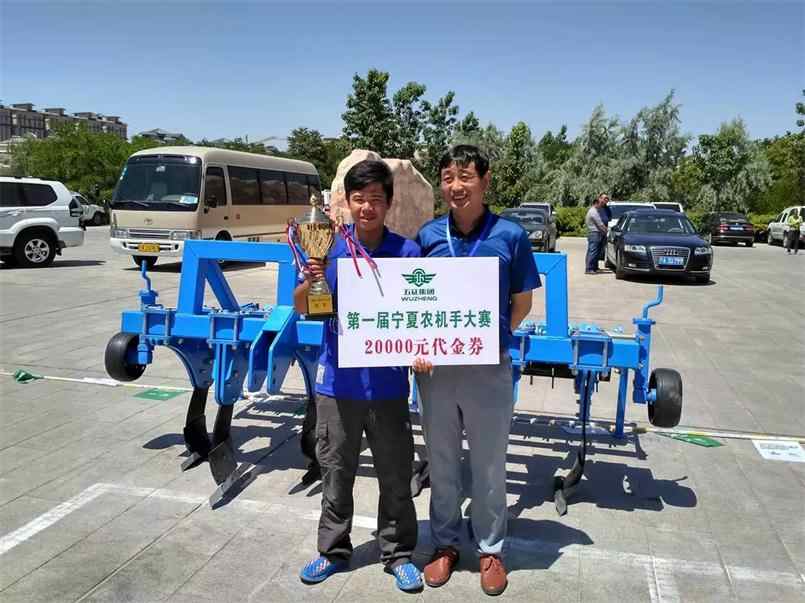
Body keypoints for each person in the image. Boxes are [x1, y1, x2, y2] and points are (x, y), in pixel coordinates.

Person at [412, 145, 540, 596]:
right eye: (448, 177)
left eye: (465, 176)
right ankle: (445, 544)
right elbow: (413, 302)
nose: (456, 186)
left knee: (489, 463)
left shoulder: (510, 236)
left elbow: (522, 302)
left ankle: (490, 548)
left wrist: (491, 338)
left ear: (485, 181)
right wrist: (418, 345)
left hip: (488, 368)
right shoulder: (427, 236)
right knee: (442, 460)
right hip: (436, 371)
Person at [295, 160, 423, 592]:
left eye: (375, 199)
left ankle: (398, 553)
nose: (367, 207)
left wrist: (424, 349)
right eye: (359, 199)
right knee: (335, 472)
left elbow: (420, 314)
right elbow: (302, 305)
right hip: (338, 385)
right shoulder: (327, 247)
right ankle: (333, 550)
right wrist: (312, 276)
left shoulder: (407, 254)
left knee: (396, 474)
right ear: (347, 202)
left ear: (388, 203)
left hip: (388, 386)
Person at [585, 197, 608, 274]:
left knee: (593, 251)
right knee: (593, 251)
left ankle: (593, 267)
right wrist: (606, 230)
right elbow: (600, 224)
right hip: (595, 233)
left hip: (594, 233)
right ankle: (589, 268)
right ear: (596, 203)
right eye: (600, 203)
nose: (601, 205)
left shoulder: (593, 211)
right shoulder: (593, 212)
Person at [595, 193, 612, 263]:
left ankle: (595, 265)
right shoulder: (596, 207)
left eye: (607, 198)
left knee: (600, 249)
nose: (606, 200)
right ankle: (590, 266)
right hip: (596, 231)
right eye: (604, 198)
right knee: (594, 249)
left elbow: (610, 217)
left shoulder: (607, 208)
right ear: (600, 198)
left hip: (604, 231)